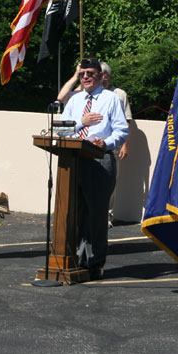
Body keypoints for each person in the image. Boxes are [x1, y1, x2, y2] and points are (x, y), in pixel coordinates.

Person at [60, 56, 129, 279]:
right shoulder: (75, 100)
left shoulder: (111, 99)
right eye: (82, 74)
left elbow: (121, 131)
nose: (86, 77)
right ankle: (77, 260)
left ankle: (95, 263)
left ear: (100, 76)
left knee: (96, 216)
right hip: (74, 160)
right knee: (75, 213)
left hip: (100, 160)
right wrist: (82, 122)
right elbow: (61, 129)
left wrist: (105, 143)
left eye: (90, 73)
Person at [100, 61, 132, 228]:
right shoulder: (90, 93)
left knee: (110, 182)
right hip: (92, 146)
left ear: (110, 76)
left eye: (105, 76)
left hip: (112, 146)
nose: (102, 79)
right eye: (100, 76)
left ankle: (107, 215)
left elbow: (127, 122)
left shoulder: (119, 94)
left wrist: (125, 145)